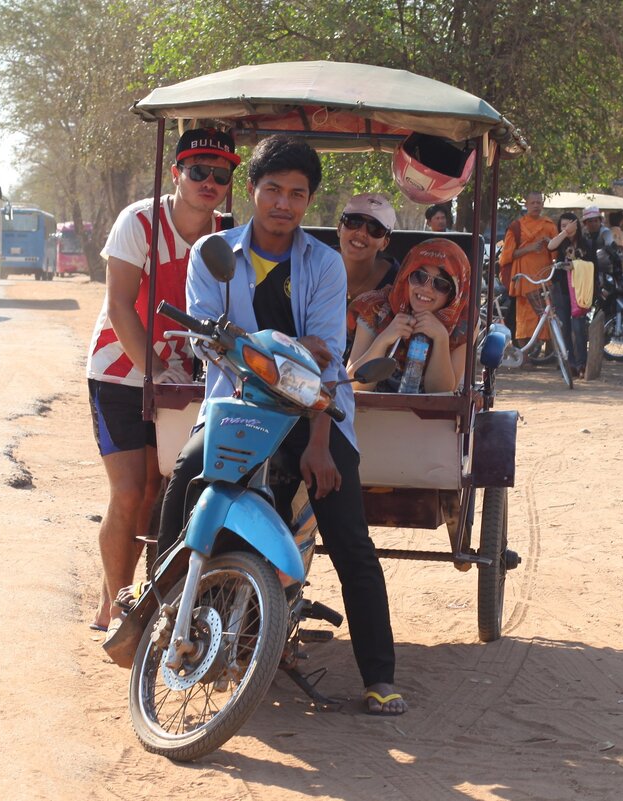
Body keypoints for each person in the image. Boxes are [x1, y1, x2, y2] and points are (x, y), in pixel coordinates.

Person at [158, 135, 406, 716]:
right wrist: (283, 346)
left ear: (309, 201)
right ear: (252, 190)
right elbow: (206, 341)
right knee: (186, 481)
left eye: (297, 194)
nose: (283, 203)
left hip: (313, 413)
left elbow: (326, 362)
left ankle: (379, 675)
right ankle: (160, 614)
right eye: (273, 189)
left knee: (349, 536)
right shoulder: (213, 253)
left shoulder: (323, 264)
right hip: (237, 406)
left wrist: (320, 442)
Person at [85, 127, 237, 631]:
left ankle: (123, 599)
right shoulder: (139, 221)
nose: (209, 182)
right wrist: (153, 367)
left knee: (157, 490)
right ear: (176, 173)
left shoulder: (227, 234)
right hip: (121, 373)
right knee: (129, 492)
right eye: (199, 171)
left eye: (221, 175)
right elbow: (119, 305)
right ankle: (117, 610)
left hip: (182, 383)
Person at [348, 238, 470, 392]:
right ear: (406, 276)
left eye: (441, 284)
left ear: (454, 294)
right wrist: (383, 340)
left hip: (429, 408)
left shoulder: (463, 320)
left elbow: (442, 394)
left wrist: (441, 338)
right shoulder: (375, 308)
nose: (426, 289)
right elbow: (351, 385)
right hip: (373, 406)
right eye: (419, 276)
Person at [338, 192, 399, 359]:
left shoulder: (398, 283)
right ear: (339, 228)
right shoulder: (313, 265)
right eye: (354, 222)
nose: (362, 232)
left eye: (375, 229)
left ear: (385, 243)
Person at [498, 191, 558, 344]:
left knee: (547, 317)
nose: (536, 206)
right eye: (533, 203)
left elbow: (556, 253)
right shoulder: (517, 227)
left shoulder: (549, 225)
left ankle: (549, 353)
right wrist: (529, 248)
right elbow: (506, 256)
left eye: (539, 202)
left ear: (543, 204)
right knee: (524, 320)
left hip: (544, 278)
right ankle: (524, 354)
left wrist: (550, 243)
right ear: (526, 205)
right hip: (524, 280)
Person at [545, 213, 582, 376]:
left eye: (570, 225)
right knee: (565, 327)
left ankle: (582, 364)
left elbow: (592, 264)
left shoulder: (584, 243)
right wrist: (565, 232)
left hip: (580, 290)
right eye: (563, 225)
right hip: (561, 289)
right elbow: (550, 246)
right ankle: (570, 364)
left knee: (579, 328)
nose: (567, 228)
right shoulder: (561, 242)